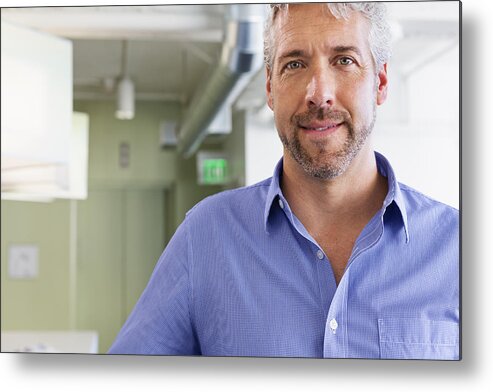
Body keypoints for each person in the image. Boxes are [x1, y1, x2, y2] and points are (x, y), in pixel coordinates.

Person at [109, 2, 459, 359]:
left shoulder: (460, 249)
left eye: (344, 60)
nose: (318, 93)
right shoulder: (206, 237)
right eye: (295, 64)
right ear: (270, 90)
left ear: (380, 82)